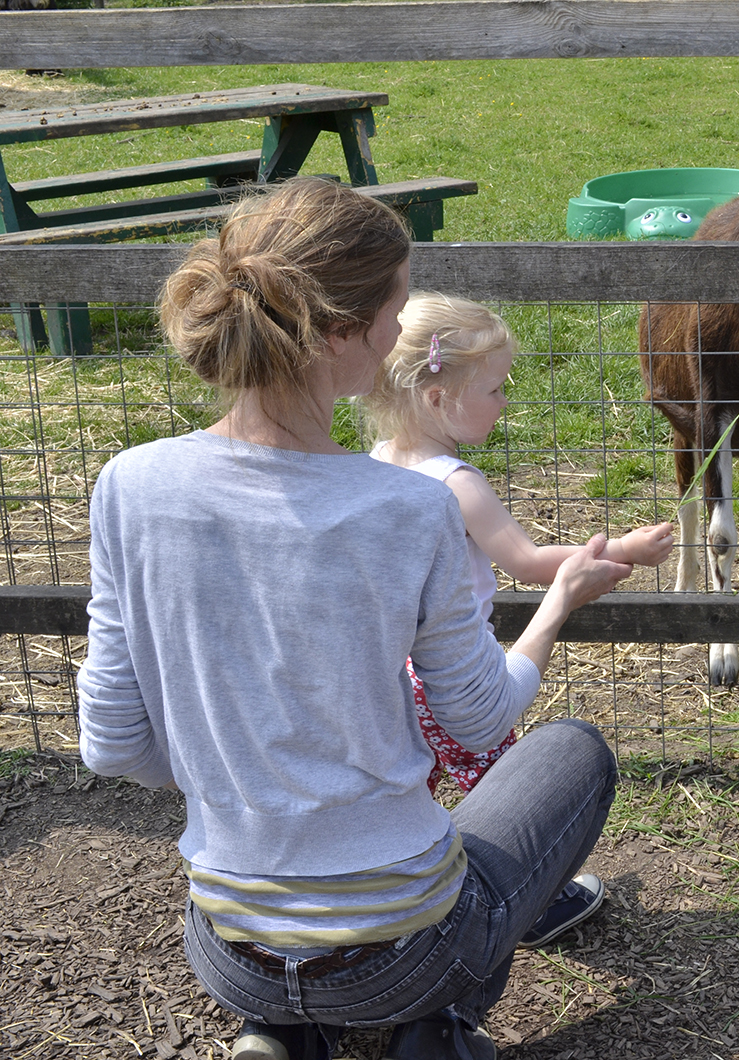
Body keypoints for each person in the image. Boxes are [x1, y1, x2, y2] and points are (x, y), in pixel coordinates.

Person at [75, 177, 634, 1060]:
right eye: (397, 308)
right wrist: (558, 600)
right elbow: (482, 717)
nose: (401, 333)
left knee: (323, 934)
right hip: (403, 944)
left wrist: (251, 789)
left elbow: (111, 744)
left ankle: (285, 1033)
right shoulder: (408, 509)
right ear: (342, 331)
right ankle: (432, 1028)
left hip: (230, 948)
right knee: (573, 754)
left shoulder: (127, 485)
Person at [361, 291, 673, 938]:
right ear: (440, 397)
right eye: (498, 390)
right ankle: (531, 902)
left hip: (393, 674)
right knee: (505, 790)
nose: (507, 403)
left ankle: (385, 891)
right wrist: (626, 550)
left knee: (413, 786)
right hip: (457, 676)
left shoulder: (374, 465)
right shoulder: (457, 483)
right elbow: (528, 563)